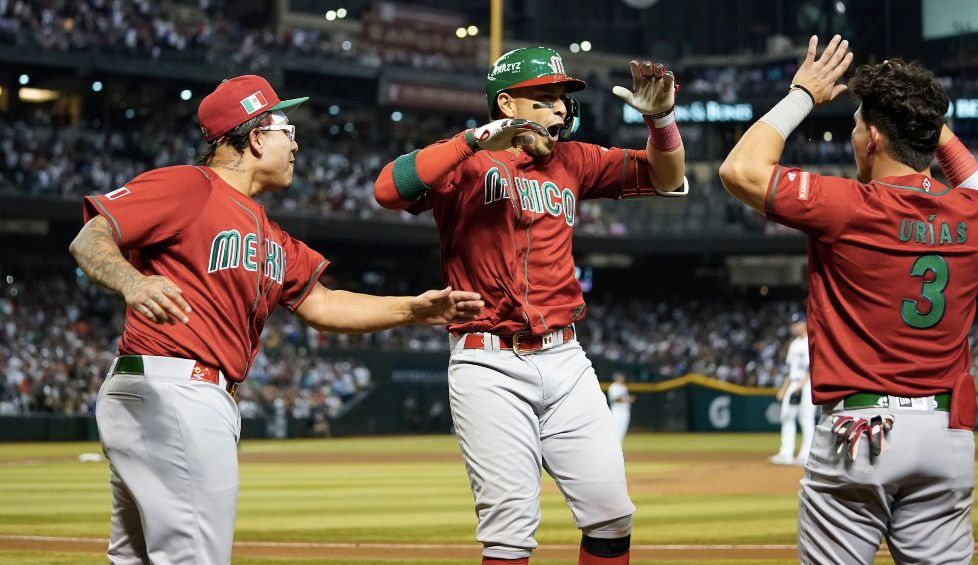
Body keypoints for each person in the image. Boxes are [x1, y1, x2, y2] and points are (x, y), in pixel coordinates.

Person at [68, 74, 484, 564]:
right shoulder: (187, 185)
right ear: (257, 136)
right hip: (176, 388)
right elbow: (90, 238)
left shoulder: (268, 231)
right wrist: (132, 282)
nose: (297, 144)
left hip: (169, 393)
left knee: (135, 558)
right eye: (288, 130)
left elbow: (323, 305)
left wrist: (412, 309)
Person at [374, 46, 687, 565]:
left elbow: (667, 176)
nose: (559, 109)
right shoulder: (464, 161)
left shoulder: (576, 160)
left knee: (611, 515)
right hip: (487, 361)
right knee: (510, 533)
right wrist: (472, 139)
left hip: (565, 359)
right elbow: (388, 189)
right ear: (506, 104)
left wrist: (661, 120)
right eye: (543, 98)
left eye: (561, 98)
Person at [719, 35, 978, 564]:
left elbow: (739, 171)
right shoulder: (976, 215)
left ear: (872, 136)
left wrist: (803, 93)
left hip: (861, 432)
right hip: (947, 436)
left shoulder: (851, 206)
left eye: (855, 129)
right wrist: (928, 124)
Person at [770, 313, 815, 466]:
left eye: (797, 323)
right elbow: (791, 370)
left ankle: (805, 455)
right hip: (794, 383)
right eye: (793, 324)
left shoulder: (811, 341)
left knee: (805, 419)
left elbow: (812, 367)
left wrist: (801, 386)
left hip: (807, 384)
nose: (794, 326)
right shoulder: (794, 344)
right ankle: (785, 453)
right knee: (786, 416)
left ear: (804, 324)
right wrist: (784, 388)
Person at [607, 372, 635, 444]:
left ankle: (619, 448)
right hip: (617, 411)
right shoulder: (613, 386)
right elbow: (615, 399)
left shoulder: (623, 387)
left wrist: (628, 399)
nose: (622, 378)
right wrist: (627, 400)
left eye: (622, 376)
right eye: (620, 377)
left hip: (625, 411)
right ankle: (613, 448)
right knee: (616, 430)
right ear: (616, 378)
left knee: (622, 431)